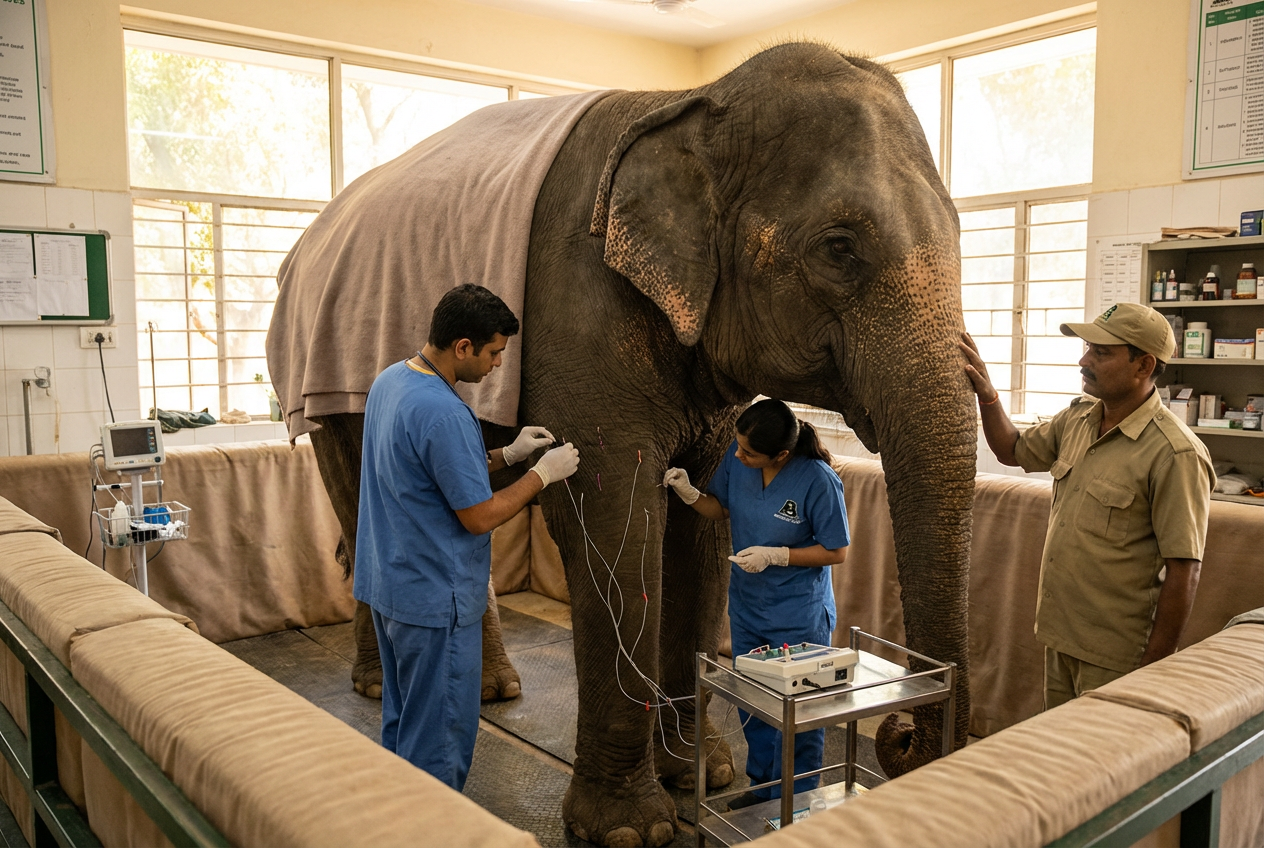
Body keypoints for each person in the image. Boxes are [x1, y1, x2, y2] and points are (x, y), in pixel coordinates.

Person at [354, 284, 580, 790]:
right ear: (463, 347)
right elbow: (477, 516)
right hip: (435, 602)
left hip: (388, 589)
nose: (498, 364)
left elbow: (430, 472)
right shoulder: (446, 411)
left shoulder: (391, 382)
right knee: (438, 744)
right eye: (495, 352)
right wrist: (541, 475)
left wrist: (509, 455)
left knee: (404, 724)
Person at [959, 302, 1214, 710]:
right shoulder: (1077, 419)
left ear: (1143, 365)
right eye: (1086, 348)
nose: (1084, 360)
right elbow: (1012, 449)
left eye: (1101, 352)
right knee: (1065, 763)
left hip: (1119, 656)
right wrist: (988, 395)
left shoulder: (1175, 454)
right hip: (1061, 637)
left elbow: (1185, 571)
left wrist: (1154, 669)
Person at [663, 399, 850, 807]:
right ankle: (763, 790)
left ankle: (798, 799)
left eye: (748, 452)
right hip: (749, 608)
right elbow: (719, 508)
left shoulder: (818, 480)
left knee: (799, 712)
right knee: (754, 703)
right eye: (737, 446)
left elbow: (836, 550)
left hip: (799, 612)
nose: (737, 455)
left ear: (781, 454)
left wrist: (778, 555)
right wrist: (689, 493)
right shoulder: (738, 464)